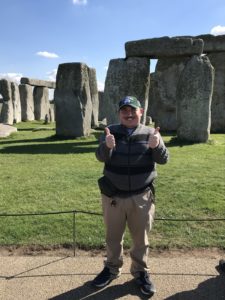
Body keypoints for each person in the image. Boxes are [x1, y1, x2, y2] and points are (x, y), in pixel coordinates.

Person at [92, 95, 169, 296]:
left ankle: (141, 272)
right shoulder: (111, 132)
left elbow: (163, 160)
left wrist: (157, 145)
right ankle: (111, 268)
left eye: (132, 110)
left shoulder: (151, 133)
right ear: (119, 113)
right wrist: (106, 146)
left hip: (141, 196)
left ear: (140, 112)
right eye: (124, 110)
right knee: (112, 237)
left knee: (141, 239)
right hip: (113, 197)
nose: (128, 114)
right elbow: (100, 157)